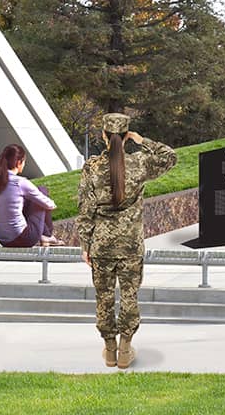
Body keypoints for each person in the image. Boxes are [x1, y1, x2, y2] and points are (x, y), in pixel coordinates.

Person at [76, 112, 176, 369]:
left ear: (103, 136)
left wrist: (85, 245)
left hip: (102, 246)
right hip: (131, 245)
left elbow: (85, 210)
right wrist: (143, 142)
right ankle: (125, 348)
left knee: (104, 298)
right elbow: (170, 157)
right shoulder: (140, 163)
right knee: (130, 296)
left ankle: (109, 349)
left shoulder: (92, 168)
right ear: (126, 135)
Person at [0, 143, 62, 247]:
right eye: (24, 162)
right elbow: (48, 204)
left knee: (27, 199)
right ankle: (48, 235)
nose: (24, 164)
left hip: (3, 240)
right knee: (42, 190)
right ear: (19, 163)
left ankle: (46, 237)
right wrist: (53, 205)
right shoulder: (20, 182)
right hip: (24, 238)